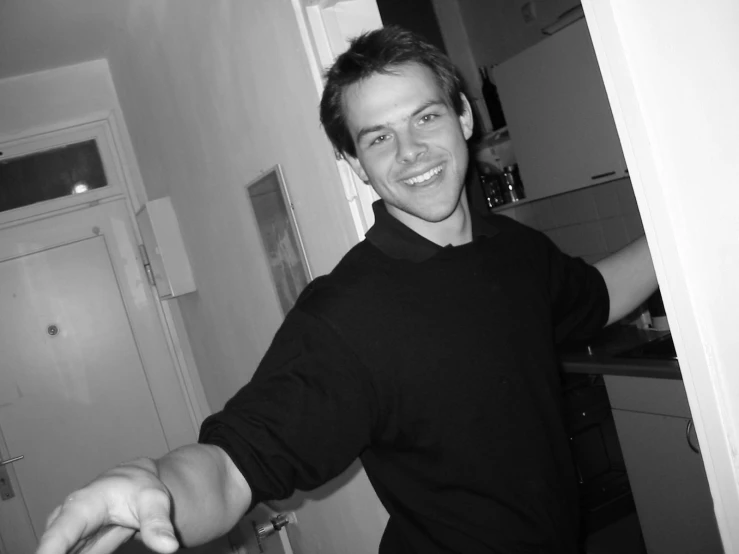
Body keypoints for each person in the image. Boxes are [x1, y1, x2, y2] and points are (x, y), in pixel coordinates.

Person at [36, 26, 657, 554]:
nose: (411, 151)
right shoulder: (346, 316)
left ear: (463, 116)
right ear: (358, 164)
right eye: (378, 137)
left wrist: (688, 229)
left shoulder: (516, 252)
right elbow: (234, 468)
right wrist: (158, 487)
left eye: (427, 116)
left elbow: (594, 294)